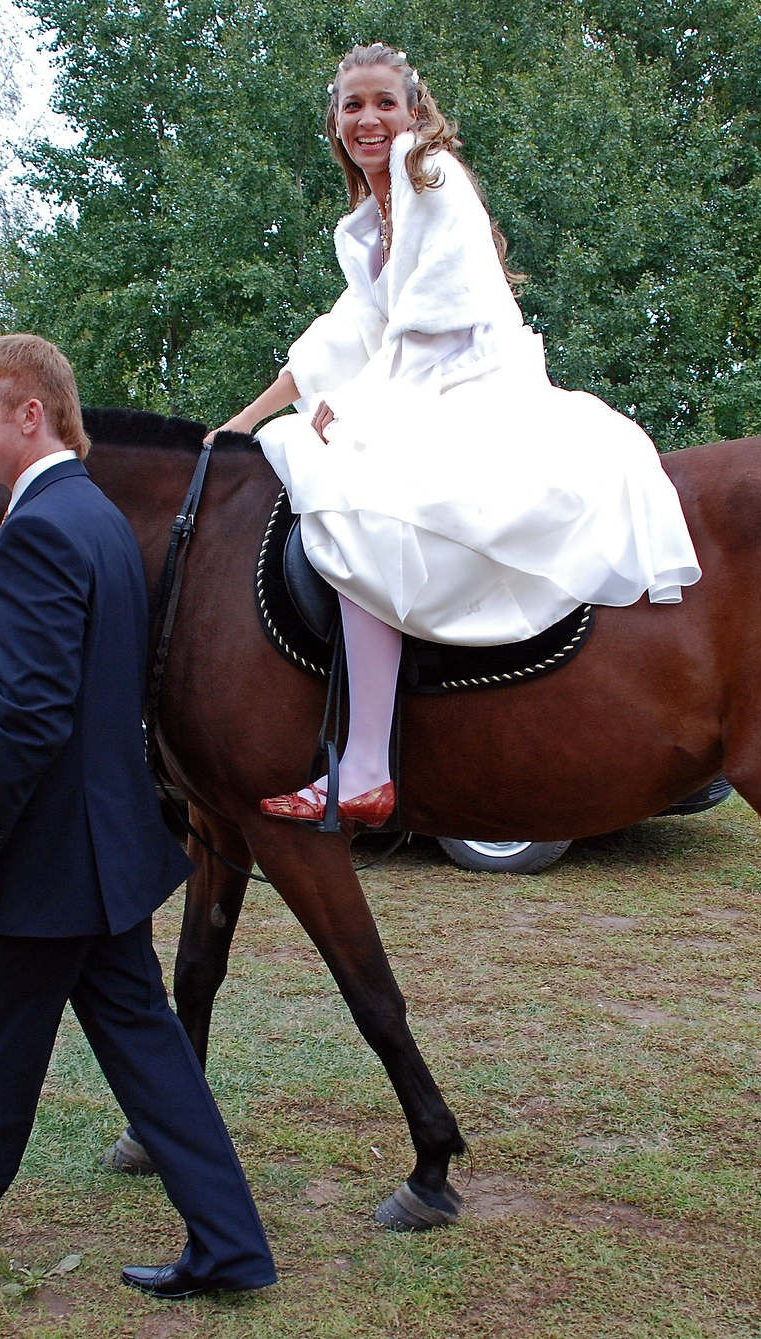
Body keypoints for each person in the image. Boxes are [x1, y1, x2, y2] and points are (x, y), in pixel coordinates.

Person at [0, 335, 275, 1300]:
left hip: (39, 866)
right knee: (151, 1057)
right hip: (103, 854)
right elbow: (66, 685)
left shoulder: (33, 529)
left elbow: (37, 718)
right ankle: (232, 1245)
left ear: (31, 415)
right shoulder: (97, 517)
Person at [209, 44, 702, 826]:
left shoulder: (423, 172)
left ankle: (368, 760)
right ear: (334, 122)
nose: (368, 119)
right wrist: (242, 421)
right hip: (413, 385)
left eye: (383, 103)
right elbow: (343, 336)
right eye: (352, 106)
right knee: (300, 452)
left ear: (412, 113)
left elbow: (435, 327)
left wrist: (358, 408)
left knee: (353, 502)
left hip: (467, 384)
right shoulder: (367, 224)